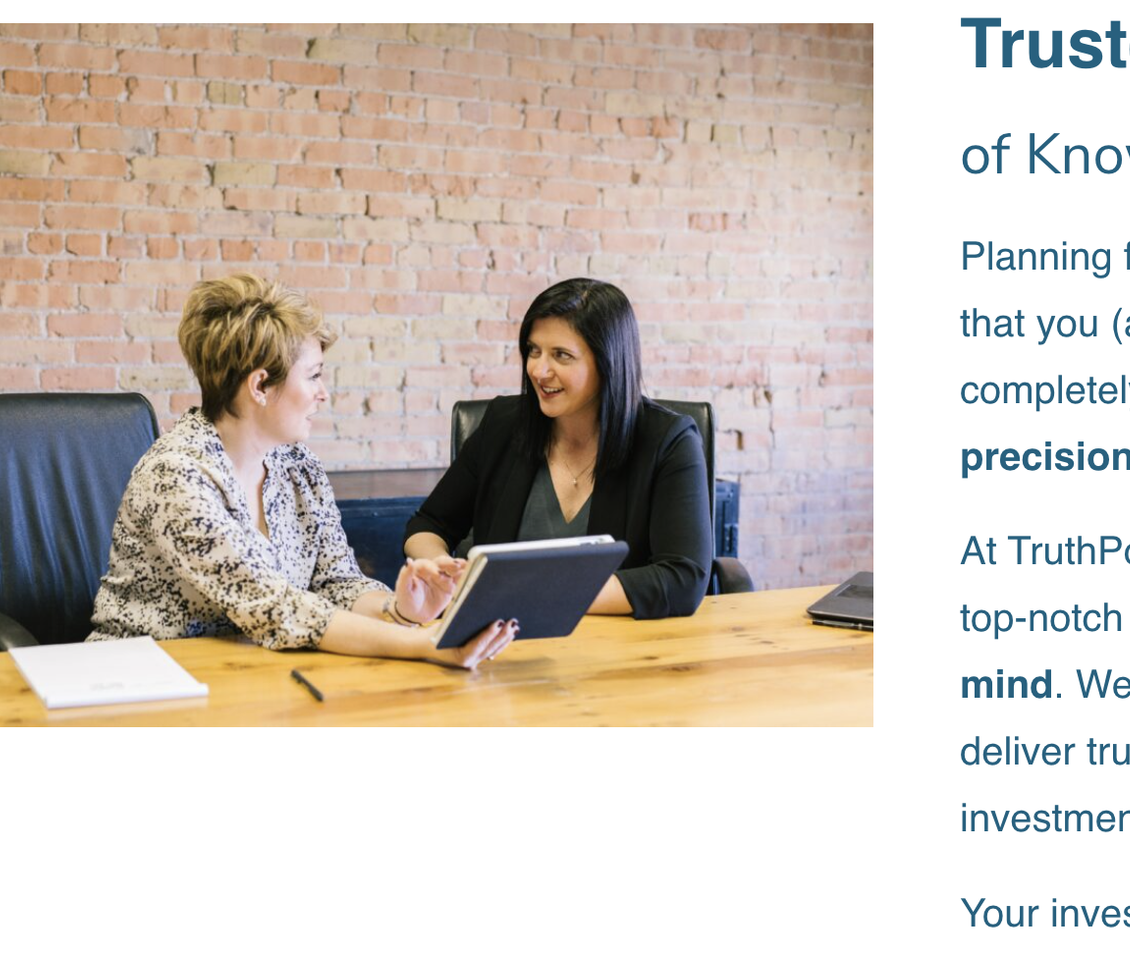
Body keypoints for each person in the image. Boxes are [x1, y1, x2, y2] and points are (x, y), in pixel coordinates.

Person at [89, 274, 518, 668]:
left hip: (250, 675)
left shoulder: (298, 465)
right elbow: (275, 608)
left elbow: (337, 583)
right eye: (313, 376)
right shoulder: (176, 475)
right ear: (260, 386)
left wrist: (401, 610)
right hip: (138, 679)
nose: (323, 393)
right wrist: (424, 643)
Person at [404, 279, 712, 618]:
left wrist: (532, 593)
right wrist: (441, 568)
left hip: (616, 640)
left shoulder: (668, 441)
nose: (538, 370)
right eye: (534, 351)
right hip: (499, 636)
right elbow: (428, 524)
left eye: (561, 355)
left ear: (608, 362)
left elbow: (683, 579)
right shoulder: (504, 424)